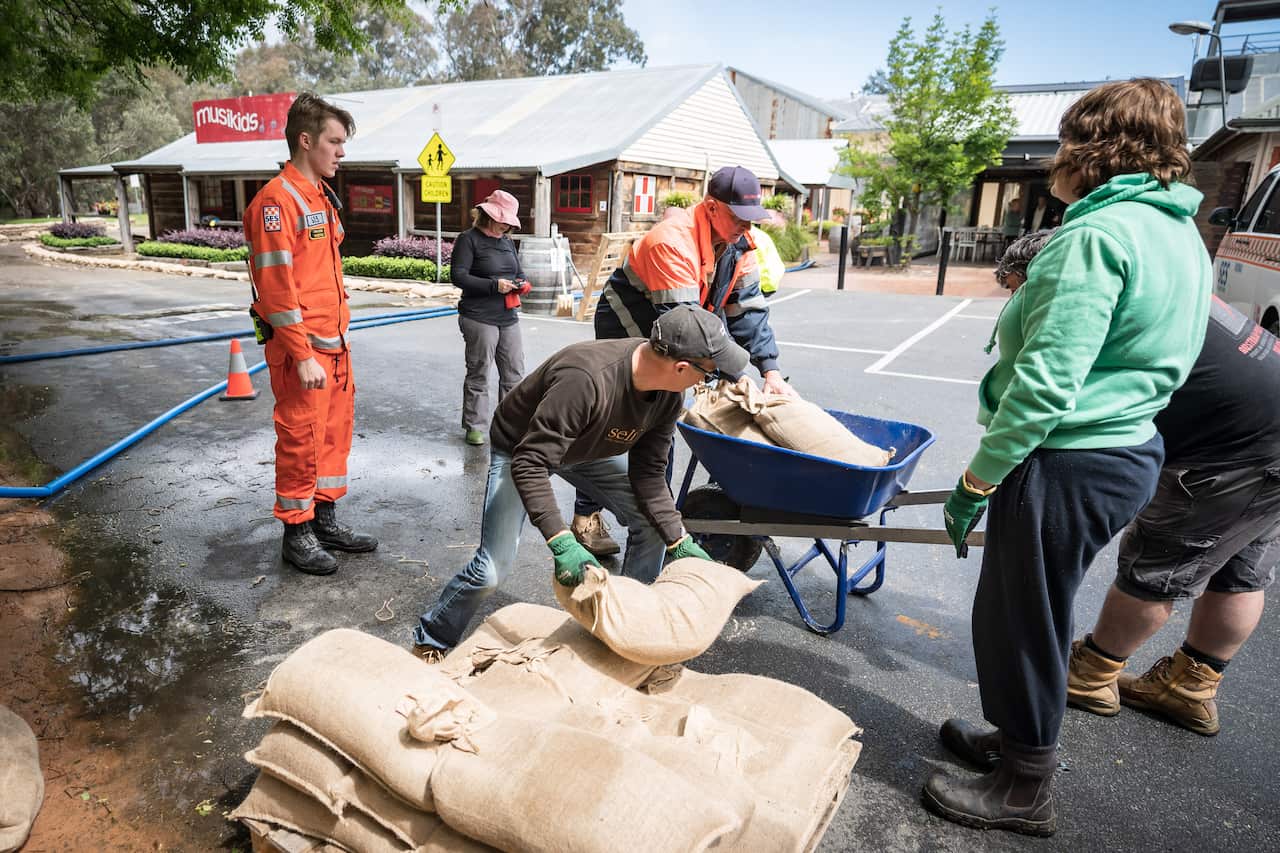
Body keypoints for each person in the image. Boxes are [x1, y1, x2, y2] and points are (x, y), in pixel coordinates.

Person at [926, 78, 1212, 837]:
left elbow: (1045, 384)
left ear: (1093, 148)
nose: (1057, 157)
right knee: (1033, 612)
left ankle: (1026, 784)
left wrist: (975, 479)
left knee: (1024, 618)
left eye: (1065, 142)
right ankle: (1018, 742)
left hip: (1068, 457)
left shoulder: (1098, 236)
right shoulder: (1178, 231)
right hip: (1125, 448)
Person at [411, 305, 746, 656]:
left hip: (588, 449)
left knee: (653, 526)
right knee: (492, 569)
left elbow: (648, 474)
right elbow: (531, 462)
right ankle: (432, 638)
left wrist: (678, 538)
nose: (704, 383)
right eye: (707, 374)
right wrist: (561, 540)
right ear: (681, 367)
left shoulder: (668, 396)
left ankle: (627, 625)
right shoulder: (585, 379)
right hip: (522, 449)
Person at [1065, 294, 1280, 736]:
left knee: (1159, 563)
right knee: (1240, 567)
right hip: (1267, 422)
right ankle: (1189, 688)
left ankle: (1090, 674)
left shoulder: (1092, 300)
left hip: (1233, 448)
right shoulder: (1169, 274)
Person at [572, 166, 797, 557]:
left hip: (682, 322)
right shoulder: (671, 242)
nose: (745, 229)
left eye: (751, 221)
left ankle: (658, 521)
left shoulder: (740, 245)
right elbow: (686, 325)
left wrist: (769, 371)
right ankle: (588, 515)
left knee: (664, 416)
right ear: (711, 207)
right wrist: (730, 373)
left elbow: (745, 312)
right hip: (631, 323)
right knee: (621, 420)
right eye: (738, 218)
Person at [243, 92, 378, 576]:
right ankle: (296, 532)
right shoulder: (275, 204)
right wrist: (301, 354)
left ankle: (324, 519)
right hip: (304, 352)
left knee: (333, 436)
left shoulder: (319, 194)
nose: (341, 152)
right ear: (306, 140)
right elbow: (277, 290)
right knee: (301, 437)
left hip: (333, 346)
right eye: (334, 141)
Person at [450, 189, 527, 447]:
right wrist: (495, 286)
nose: (505, 225)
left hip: (507, 314)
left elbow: (518, 271)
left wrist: (521, 282)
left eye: (508, 221)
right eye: (501, 219)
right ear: (487, 215)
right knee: (479, 371)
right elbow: (458, 277)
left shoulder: (506, 242)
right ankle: (475, 426)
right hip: (479, 316)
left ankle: (510, 426)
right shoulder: (468, 240)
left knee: (514, 373)